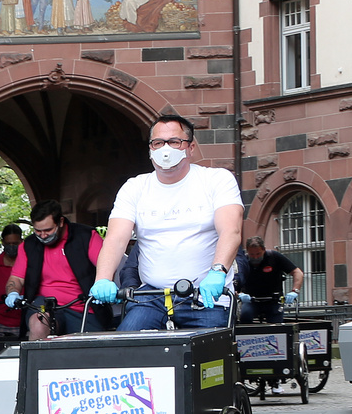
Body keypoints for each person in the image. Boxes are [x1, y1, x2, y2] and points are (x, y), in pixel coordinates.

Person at [90, 115, 244, 333]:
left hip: (207, 296)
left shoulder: (217, 180)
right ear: (150, 149)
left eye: (174, 142)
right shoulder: (135, 187)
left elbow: (231, 230)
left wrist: (218, 271)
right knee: (125, 348)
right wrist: (103, 279)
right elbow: (115, 239)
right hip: (152, 296)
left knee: (209, 357)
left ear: (190, 148)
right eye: (158, 142)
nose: (165, 148)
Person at [2, 200, 109, 339]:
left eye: (48, 230)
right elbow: (16, 278)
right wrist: (12, 293)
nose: (43, 235)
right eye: (38, 231)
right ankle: (37, 359)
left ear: (61, 222)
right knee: (38, 323)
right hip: (45, 304)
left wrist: (103, 284)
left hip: (82, 305)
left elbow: (106, 265)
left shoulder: (86, 236)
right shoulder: (28, 245)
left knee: (94, 348)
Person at [234, 236, 303, 324]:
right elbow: (235, 281)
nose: (255, 257)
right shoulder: (244, 261)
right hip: (251, 301)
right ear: (247, 251)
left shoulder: (274, 257)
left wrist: (295, 291)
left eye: (258, 254)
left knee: (276, 323)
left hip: (273, 300)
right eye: (252, 254)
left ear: (264, 250)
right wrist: (239, 294)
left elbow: (297, 272)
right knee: (245, 315)